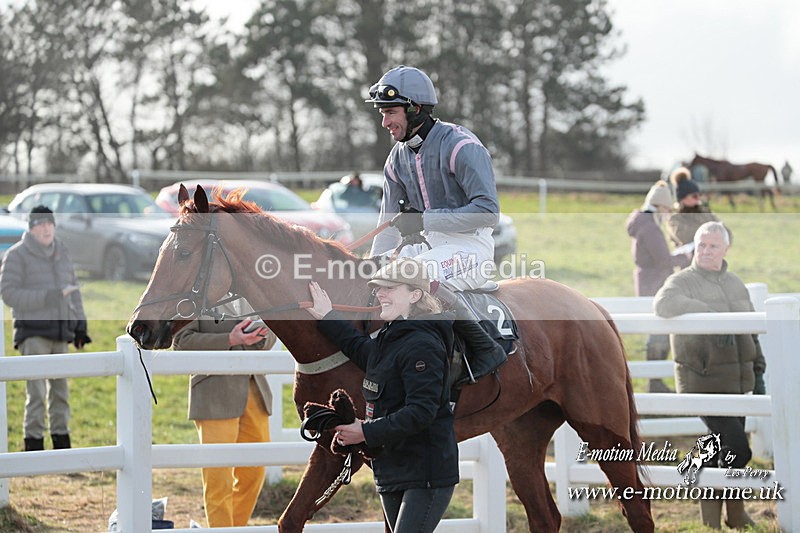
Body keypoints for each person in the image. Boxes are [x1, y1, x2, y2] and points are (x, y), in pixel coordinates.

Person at [364, 65, 506, 384]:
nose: (385, 122)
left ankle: (485, 347)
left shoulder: (462, 146)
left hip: (471, 249)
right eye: (382, 114)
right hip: (428, 247)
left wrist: (424, 219)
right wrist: (374, 263)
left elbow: (488, 212)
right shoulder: (395, 159)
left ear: (415, 109)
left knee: (411, 278)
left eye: (391, 113)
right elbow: (388, 224)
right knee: (377, 281)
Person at [305, 257, 459, 533]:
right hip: (391, 467)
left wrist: (364, 432)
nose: (379, 294)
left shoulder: (423, 344)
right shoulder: (394, 336)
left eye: (390, 288)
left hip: (424, 472)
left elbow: (422, 411)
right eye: (378, 288)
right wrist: (328, 316)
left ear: (415, 295)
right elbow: (362, 350)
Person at [654, 222, 766, 530]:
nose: (705, 250)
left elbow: (751, 329)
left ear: (725, 249)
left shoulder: (735, 283)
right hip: (702, 383)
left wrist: (758, 370)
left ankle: (723, 518)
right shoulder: (682, 280)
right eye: (701, 245)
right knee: (738, 449)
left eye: (712, 246)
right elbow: (662, 304)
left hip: (737, 384)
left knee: (724, 449)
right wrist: (703, 311)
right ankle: (726, 514)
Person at [171, 297, 276, 528]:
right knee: (219, 480)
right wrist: (230, 338)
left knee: (255, 473)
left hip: (255, 390)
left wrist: (259, 336)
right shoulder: (192, 297)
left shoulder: (251, 291)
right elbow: (180, 342)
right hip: (214, 393)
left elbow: (271, 337)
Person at [0, 205, 91, 451]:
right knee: (37, 394)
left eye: (50, 224)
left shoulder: (62, 251)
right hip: (32, 334)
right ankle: (33, 446)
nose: (46, 228)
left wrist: (80, 327)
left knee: (61, 393)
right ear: (31, 228)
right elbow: (8, 293)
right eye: (41, 224)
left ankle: (62, 445)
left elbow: (74, 292)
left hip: (61, 334)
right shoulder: (16, 255)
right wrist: (46, 297)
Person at [625, 181, 691, 392]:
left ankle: (655, 381)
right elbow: (663, 260)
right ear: (660, 206)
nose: (669, 213)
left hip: (648, 280)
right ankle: (655, 382)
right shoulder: (650, 227)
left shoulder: (644, 223)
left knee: (658, 331)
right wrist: (686, 256)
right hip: (654, 281)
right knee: (659, 332)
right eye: (667, 209)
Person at [667, 166, 723, 251]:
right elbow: (685, 237)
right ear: (683, 198)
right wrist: (712, 233)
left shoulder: (704, 212)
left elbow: (725, 231)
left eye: (699, 195)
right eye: (694, 196)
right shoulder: (674, 217)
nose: (698, 198)